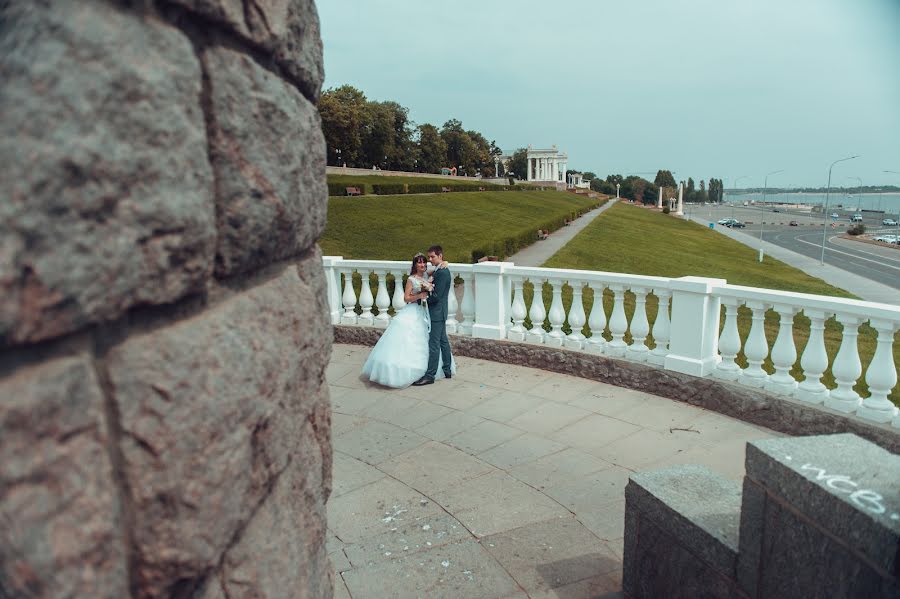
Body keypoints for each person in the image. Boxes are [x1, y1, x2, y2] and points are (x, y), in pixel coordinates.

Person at [361, 253, 454, 388]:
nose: (422, 265)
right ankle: (413, 371)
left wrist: (445, 262)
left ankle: (442, 369)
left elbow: (439, 268)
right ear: (415, 265)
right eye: (419, 263)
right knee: (414, 339)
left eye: (424, 262)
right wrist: (419, 295)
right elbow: (406, 298)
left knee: (435, 339)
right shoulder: (412, 279)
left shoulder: (428, 275)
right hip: (414, 311)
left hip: (426, 312)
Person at [412, 245, 454, 386]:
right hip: (440, 311)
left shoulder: (442, 272)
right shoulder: (439, 269)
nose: (429, 259)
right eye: (429, 257)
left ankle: (430, 375)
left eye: (432, 257)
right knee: (442, 341)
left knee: (434, 344)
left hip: (437, 312)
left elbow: (436, 297)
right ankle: (447, 369)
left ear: (440, 256)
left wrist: (420, 300)